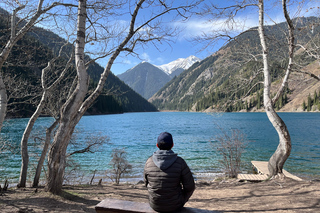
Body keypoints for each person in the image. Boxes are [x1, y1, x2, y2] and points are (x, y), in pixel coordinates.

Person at [144, 132, 195, 212]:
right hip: (175, 205)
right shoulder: (180, 162)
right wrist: (182, 199)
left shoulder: (149, 162)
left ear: (157, 145)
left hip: (155, 205)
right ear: (172, 145)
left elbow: (146, 184)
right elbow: (190, 187)